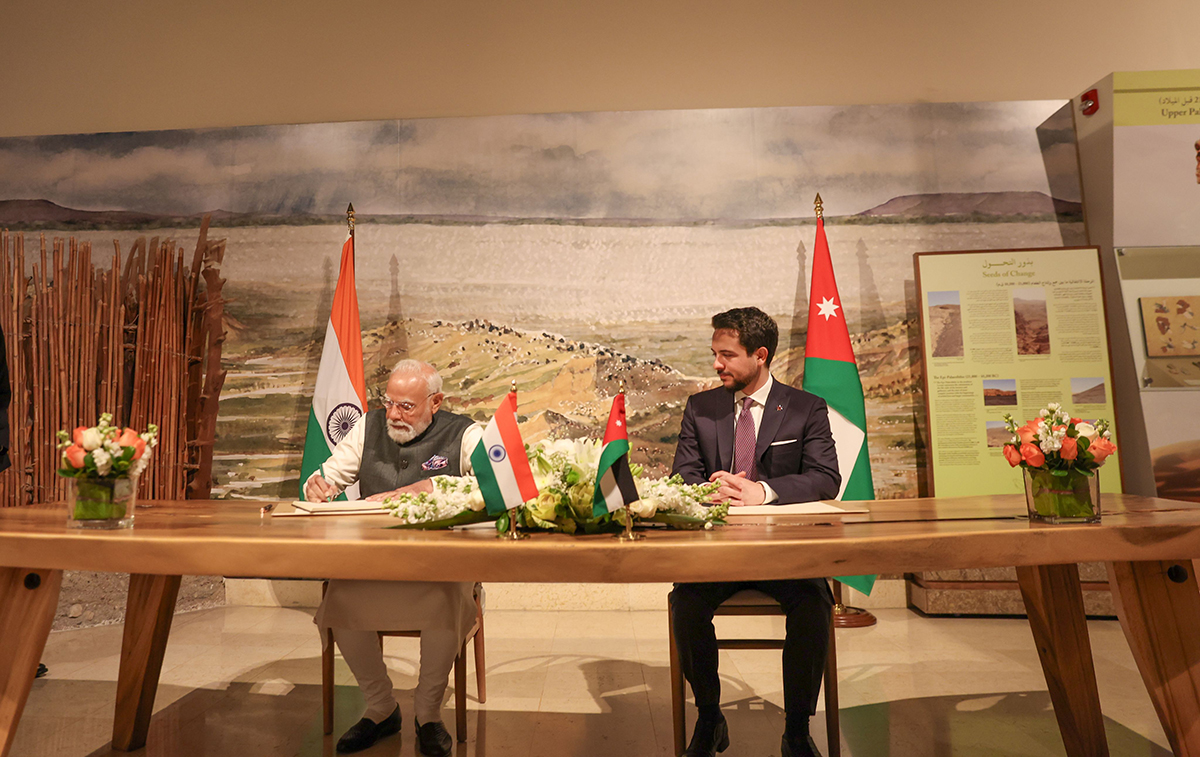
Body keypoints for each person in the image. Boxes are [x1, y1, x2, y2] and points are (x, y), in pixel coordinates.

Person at [670, 307, 841, 757]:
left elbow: (826, 478)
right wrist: (708, 490)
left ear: (760, 355)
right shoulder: (700, 408)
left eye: (727, 355)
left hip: (783, 552)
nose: (716, 364)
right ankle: (709, 718)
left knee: (815, 603)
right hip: (717, 554)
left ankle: (797, 730)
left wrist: (761, 492)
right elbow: (682, 475)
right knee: (685, 603)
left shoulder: (805, 408)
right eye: (715, 353)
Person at [304, 359, 483, 756]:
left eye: (406, 406)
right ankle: (381, 707)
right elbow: (329, 475)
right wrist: (317, 485)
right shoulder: (367, 427)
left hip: (441, 566)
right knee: (339, 598)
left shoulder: (466, 434)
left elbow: (493, 484)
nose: (393, 415)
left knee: (445, 598)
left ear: (435, 402)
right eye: (389, 403)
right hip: (375, 562)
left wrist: (431, 486)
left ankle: (428, 713)